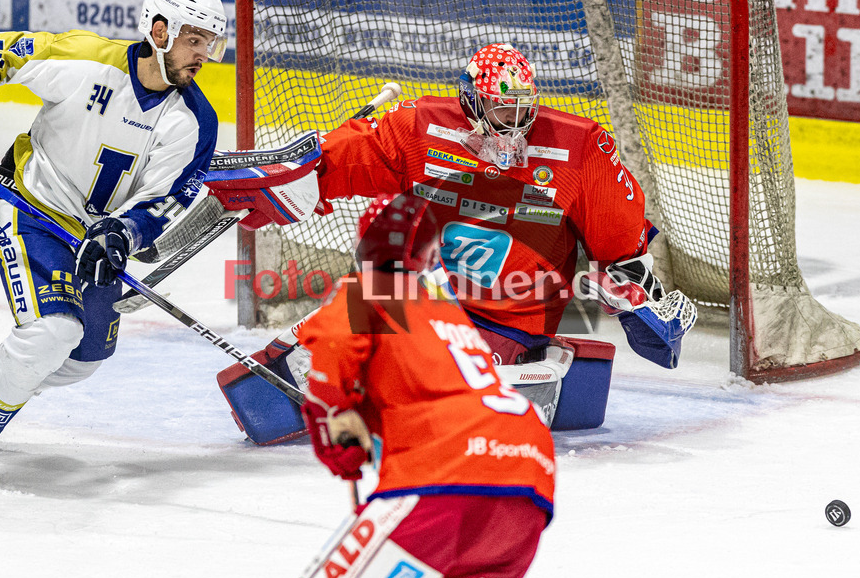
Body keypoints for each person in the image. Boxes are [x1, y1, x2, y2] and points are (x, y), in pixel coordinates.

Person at [217, 43, 696, 444]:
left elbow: (623, 248)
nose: (515, 123)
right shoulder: (421, 126)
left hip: (510, 321)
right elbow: (352, 157)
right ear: (470, 102)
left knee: (442, 398)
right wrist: (299, 178)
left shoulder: (581, 147)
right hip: (425, 298)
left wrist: (638, 297)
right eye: (500, 108)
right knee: (312, 350)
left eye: (523, 108)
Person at [0, 0, 227, 489]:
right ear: (159, 29)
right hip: (30, 207)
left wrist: (123, 234)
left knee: (84, 358)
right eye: (195, 39)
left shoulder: (195, 120)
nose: (204, 55)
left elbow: (169, 197)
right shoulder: (87, 59)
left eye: (210, 43)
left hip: (94, 243)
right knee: (53, 331)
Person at [294, 193, 554, 578]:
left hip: (447, 471)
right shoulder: (447, 312)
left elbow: (332, 346)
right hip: (529, 476)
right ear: (433, 256)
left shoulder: (370, 290)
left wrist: (332, 413)